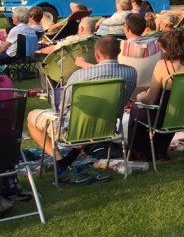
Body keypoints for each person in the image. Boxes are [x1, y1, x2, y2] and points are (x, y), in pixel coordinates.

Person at [26, 35, 137, 174]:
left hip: (76, 130)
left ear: (97, 55)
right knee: (90, 115)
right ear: (119, 52)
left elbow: (63, 107)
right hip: (108, 126)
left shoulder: (80, 76)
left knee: (32, 116)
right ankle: (71, 155)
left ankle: (60, 160)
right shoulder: (131, 73)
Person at [127, 30, 184, 162]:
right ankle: (159, 151)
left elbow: (150, 99)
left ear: (167, 49)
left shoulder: (163, 65)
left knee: (137, 106)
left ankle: (140, 154)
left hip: (165, 117)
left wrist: (139, 97)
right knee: (166, 109)